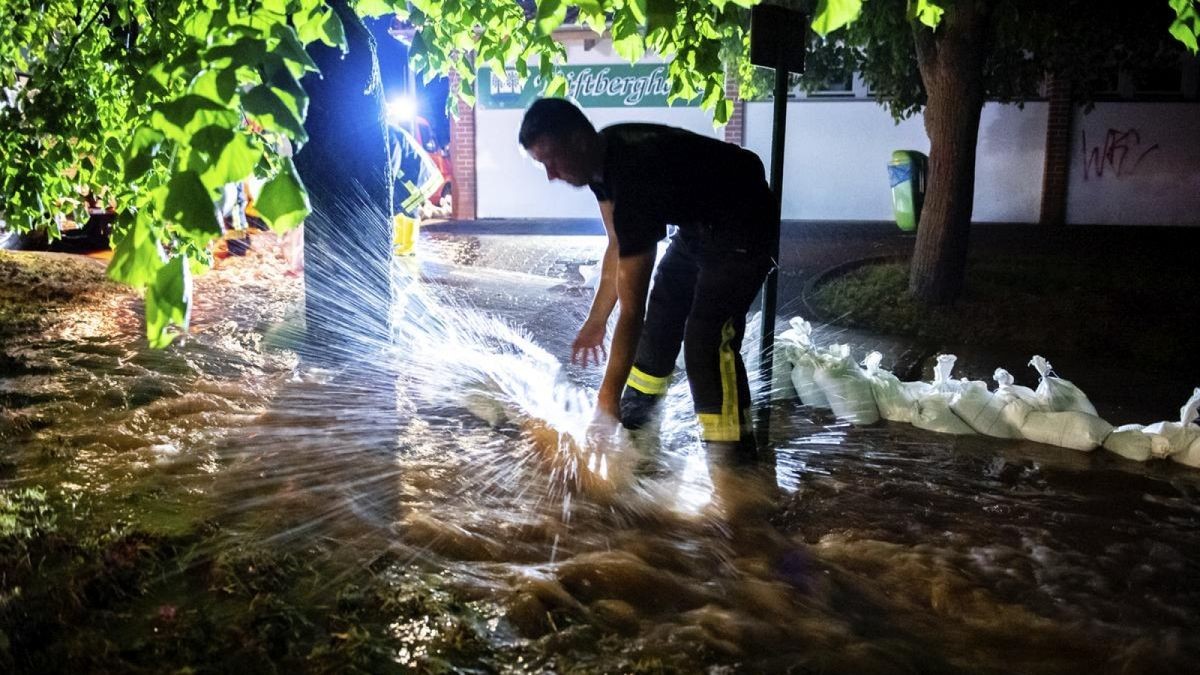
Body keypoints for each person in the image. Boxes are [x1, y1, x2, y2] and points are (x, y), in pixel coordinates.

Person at [519, 98, 776, 455]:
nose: (551, 175)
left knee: (705, 340)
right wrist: (595, 321)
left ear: (578, 140)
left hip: (743, 222)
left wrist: (605, 399)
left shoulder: (633, 179)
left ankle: (734, 469)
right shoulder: (599, 162)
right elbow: (615, 243)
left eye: (552, 161)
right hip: (699, 226)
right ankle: (638, 431)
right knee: (662, 317)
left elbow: (630, 311)